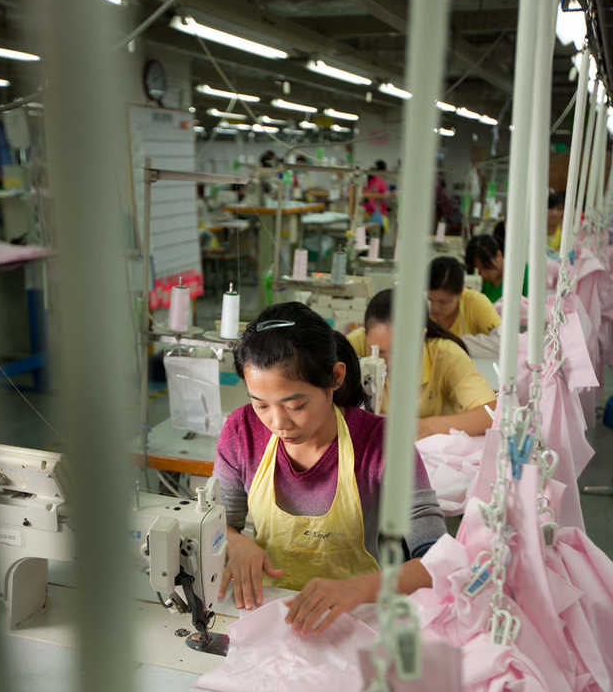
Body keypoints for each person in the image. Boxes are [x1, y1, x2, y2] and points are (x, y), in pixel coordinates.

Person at [214, 301, 445, 632]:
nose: (278, 423)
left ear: (335, 377)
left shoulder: (382, 444)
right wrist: (234, 541)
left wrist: (359, 588)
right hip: (269, 614)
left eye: (296, 405)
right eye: (261, 404)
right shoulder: (242, 431)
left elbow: (439, 561)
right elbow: (217, 523)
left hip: (359, 618)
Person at [348, 289, 496, 436]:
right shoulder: (354, 345)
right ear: (365, 335)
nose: (390, 363)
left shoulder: (446, 355)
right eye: (379, 353)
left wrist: (425, 427)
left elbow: (490, 413)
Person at [428, 256, 501, 355]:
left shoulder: (476, 303)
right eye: (430, 300)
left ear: (461, 292)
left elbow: (502, 342)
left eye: (443, 302)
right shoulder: (418, 305)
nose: (434, 308)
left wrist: (454, 344)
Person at [465, 233, 529, 303]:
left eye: (486, 267)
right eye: (479, 270)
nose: (483, 274)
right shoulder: (483, 283)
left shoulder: (523, 272)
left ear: (499, 255)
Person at [362, 160, 389, 231]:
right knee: (374, 239)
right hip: (374, 215)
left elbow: (366, 196)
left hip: (374, 215)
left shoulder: (374, 181)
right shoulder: (378, 182)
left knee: (367, 238)